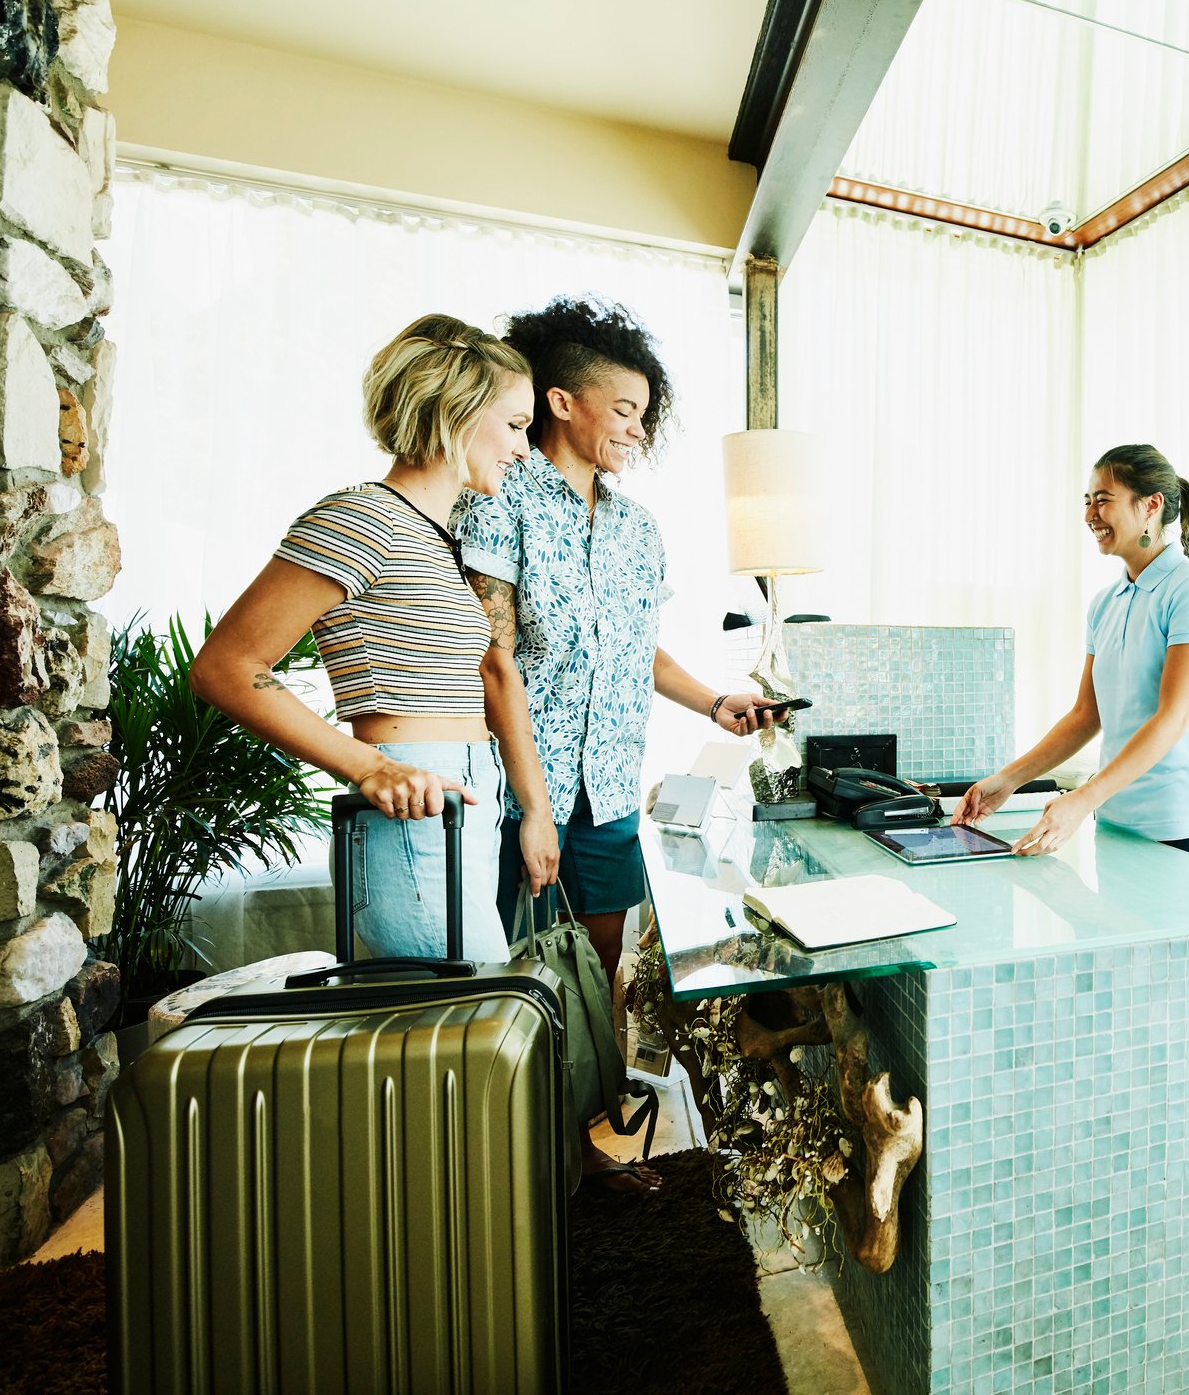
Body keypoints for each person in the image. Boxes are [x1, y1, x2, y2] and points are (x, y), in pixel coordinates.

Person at [453, 296, 784, 1188]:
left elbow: (637, 650)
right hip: (521, 786)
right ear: (563, 403)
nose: (638, 430)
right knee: (511, 967)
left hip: (607, 784)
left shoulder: (638, 529)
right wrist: (531, 806)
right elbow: (495, 658)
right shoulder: (501, 495)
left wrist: (713, 701)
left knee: (599, 956)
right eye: (625, 411)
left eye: (645, 415)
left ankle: (580, 1111)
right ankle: (513, 1139)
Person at [191, 314, 536, 962]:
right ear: (455, 410)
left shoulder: (433, 532)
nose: (524, 448)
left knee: (461, 1044)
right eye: (515, 425)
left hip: (456, 805)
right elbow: (227, 667)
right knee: (463, 1040)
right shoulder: (362, 517)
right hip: (417, 809)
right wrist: (372, 767)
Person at [955, 444, 1189, 861]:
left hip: (1181, 826)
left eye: (1103, 501)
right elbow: (1087, 714)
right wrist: (1009, 780)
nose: (1090, 516)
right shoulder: (1106, 602)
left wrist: (1083, 799)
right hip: (1116, 822)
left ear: (1151, 505)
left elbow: (1172, 718)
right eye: (1087, 502)